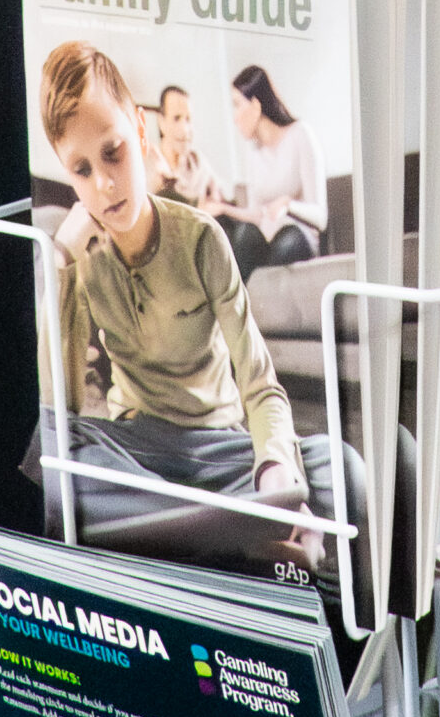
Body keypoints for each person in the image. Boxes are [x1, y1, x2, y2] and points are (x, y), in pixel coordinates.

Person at [24, 41, 362, 588]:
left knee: (341, 469)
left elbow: (260, 385)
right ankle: (235, 533)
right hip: (140, 449)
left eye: (113, 153)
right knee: (48, 446)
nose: (104, 184)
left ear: (140, 132)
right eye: (82, 170)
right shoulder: (81, 261)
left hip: (218, 445)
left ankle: (180, 534)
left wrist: (275, 470)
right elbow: (58, 407)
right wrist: (59, 262)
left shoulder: (202, 238)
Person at [215, 64, 328, 277]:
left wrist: (288, 205)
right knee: (245, 235)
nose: (235, 117)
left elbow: (320, 218)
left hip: (297, 237)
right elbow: (256, 214)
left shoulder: (300, 134)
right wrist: (223, 209)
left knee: (285, 243)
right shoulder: (253, 152)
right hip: (267, 239)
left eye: (237, 105)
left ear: (256, 106)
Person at [147, 83, 228, 212]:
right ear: (161, 122)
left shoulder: (197, 162)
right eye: (176, 118)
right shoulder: (148, 166)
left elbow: (220, 195)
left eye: (188, 119)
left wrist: (215, 195)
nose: (185, 130)